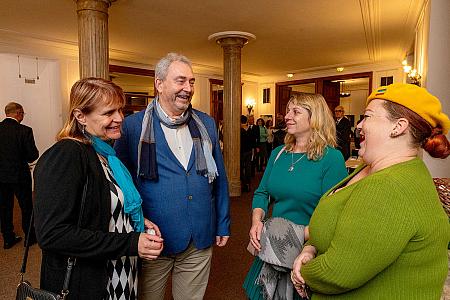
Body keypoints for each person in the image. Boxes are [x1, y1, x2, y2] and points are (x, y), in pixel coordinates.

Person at [292, 83, 450, 299]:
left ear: (399, 126)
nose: (359, 125)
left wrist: (302, 272)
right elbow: (340, 226)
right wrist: (310, 248)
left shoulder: (390, 187)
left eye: (367, 116)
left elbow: (337, 273)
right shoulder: (370, 168)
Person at [33, 78, 164, 299]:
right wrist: (131, 242)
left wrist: (135, 220)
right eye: (108, 113)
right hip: (88, 282)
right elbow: (52, 234)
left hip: (118, 271)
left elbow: (103, 205)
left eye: (120, 110)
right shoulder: (66, 155)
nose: (120, 118)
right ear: (80, 116)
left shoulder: (104, 153)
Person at [114, 53, 230, 300]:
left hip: (200, 235)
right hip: (153, 240)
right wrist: (135, 226)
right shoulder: (132, 127)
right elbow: (120, 183)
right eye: (180, 81)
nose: (187, 89)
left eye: (191, 82)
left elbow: (218, 178)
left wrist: (222, 222)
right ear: (159, 83)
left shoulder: (206, 124)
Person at [243, 93, 348, 300]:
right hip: (273, 247)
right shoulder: (279, 153)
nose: (287, 116)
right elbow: (262, 192)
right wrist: (256, 221)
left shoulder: (331, 159)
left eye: (295, 112)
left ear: (314, 118)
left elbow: (334, 214)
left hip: (307, 250)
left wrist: (297, 235)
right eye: (288, 111)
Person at [0, 102, 39, 249]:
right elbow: (32, 156)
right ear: (19, 113)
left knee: (4, 207)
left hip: (1, 177)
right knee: (26, 206)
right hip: (20, 176)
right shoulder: (25, 131)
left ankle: (8, 239)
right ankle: (30, 238)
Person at [241, 115, 253, 193]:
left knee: (241, 168)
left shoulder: (240, 130)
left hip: (242, 151)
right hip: (249, 150)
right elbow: (252, 140)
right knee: (248, 167)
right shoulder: (250, 129)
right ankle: (248, 183)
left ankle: (244, 184)